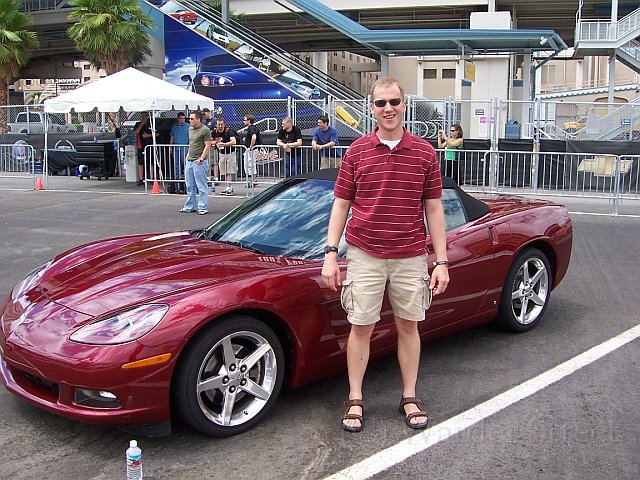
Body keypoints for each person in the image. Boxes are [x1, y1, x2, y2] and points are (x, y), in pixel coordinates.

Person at [321, 77, 449, 433]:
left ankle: (409, 395)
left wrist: (441, 261)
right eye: (380, 103)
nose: (388, 108)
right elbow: (341, 205)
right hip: (365, 254)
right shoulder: (357, 151)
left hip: (410, 255)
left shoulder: (424, 152)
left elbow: (434, 209)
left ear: (404, 105)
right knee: (360, 327)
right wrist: (331, 253)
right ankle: (356, 398)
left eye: (394, 101)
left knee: (409, 326)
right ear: (371, 107)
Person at [180, 111, 212, 215]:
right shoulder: (190, 129)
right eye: (189, 118)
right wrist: (187, 156)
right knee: (189, 185)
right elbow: (191, 144)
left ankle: (202, 207)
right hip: (190, 160)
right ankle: (190, 206)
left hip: (199, 162)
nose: (189, 120)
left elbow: (208, 145)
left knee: (201, 185)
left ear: (198, 119)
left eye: (192, 118)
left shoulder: (205, 130)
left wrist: (201, 159)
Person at [213, 117, 237, 195]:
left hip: (230, 152)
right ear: (216, 125)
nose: (220, 126)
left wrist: (225, 144)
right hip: (221, 153)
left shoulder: (228, 131)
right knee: (224, 171)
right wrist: (215, 143)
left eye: (221, 124)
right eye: (218, 124)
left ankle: (229, 187)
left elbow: (234, 141)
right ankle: (228, 187)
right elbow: (209, 141)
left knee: (229, 171)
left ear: (224, 124)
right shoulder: (214, 132)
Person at [133, 112, 156, 186]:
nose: (143, 118)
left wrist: (148, 135)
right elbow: (135, 132)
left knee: (150, 163)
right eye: (142, 116)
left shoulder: (151, 124)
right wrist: (141, 124)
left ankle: (152, 178)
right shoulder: (138, 124)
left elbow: (157, 133)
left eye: (144, 116)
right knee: (141, 163)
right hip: (140, 146)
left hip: (149, 146)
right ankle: (141, 179)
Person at [242, 114, 262, 187]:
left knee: (250, 164)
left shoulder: (251, 128)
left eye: (245, 120)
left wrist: (250, 147)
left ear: (249, 121)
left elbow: (254, 137)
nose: (243, 121)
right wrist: (246, 139)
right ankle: (253, 180)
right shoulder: (251, 128)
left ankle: (253, 180)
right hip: (252, 149)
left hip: (252, 150)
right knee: (249, 164)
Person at [169, 112, 189, 183]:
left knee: (185, 163)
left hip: (184, 147)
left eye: (184, 118)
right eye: (181, 118)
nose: (183, 120)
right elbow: (172, 136)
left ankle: (186, 177)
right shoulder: (174, 126)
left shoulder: (188, 126)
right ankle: (177, 177)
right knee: (176, 163)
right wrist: (170, 146)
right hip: (176, 147)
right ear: (178, 119)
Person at [202, 107, 219, 182]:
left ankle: (216, 177)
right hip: (206, 144)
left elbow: (215, 131)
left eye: (205, 114)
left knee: (214, 161)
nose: (204, 116)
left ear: (209, 113)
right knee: (207, 161)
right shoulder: (203, 121)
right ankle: (208, 177)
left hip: (213, 144)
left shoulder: (214, 121)